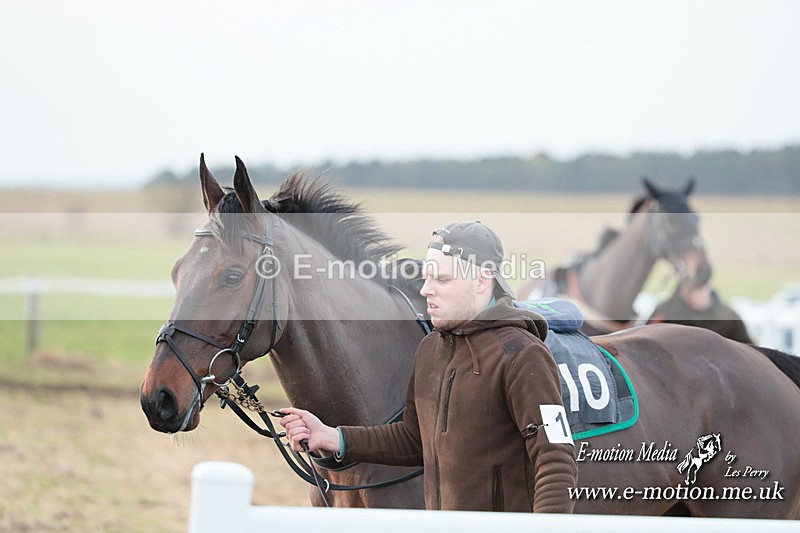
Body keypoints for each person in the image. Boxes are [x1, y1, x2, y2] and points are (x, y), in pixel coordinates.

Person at [280, 221, 577, 512]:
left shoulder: (522, 354)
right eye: (427, 277)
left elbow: (556, 462)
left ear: (482, 281)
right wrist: (334, 437)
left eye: (441, 280)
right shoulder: (430, 350)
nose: (425, 290)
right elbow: (413, 439)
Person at [648, 279, 753, 343]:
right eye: (689, 289)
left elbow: (747, 349)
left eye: (699, 289)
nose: (694, 295)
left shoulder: (729, 317)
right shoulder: (664, 312)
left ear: (709, 289)